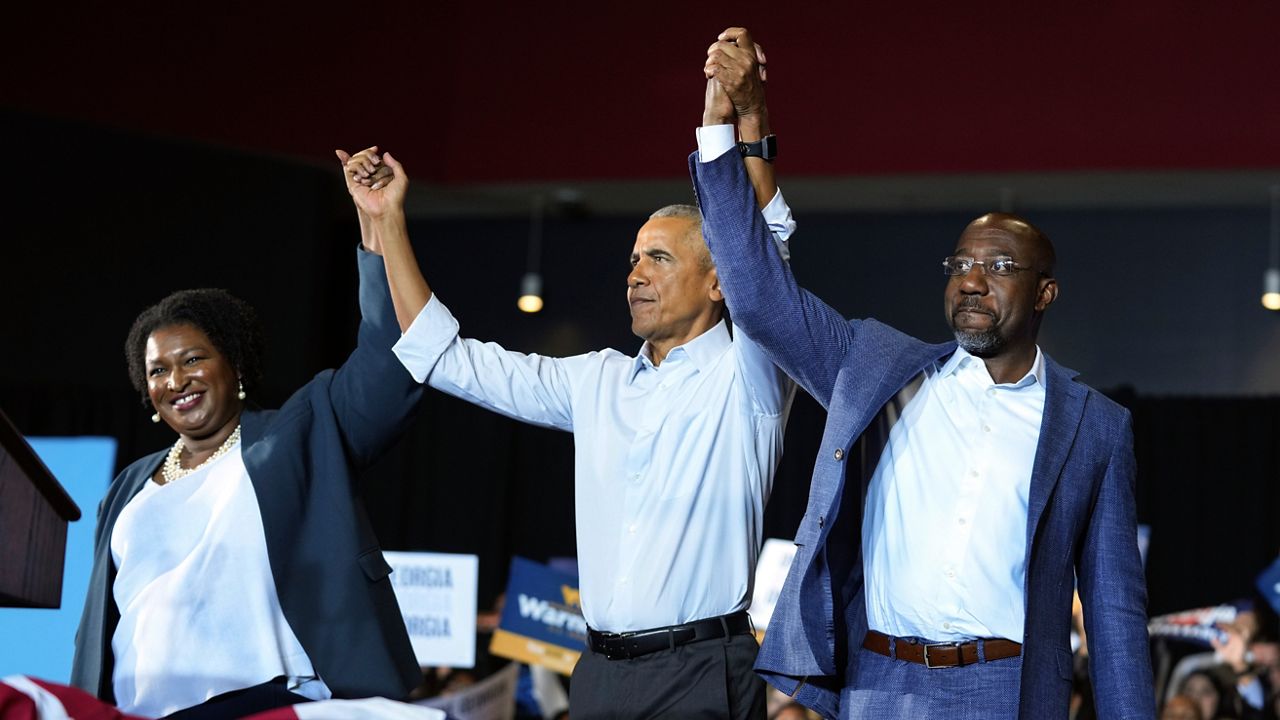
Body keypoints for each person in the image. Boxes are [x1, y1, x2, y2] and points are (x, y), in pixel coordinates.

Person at [692, 27, 1156, 719]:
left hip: (1006, 691)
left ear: (1046, 294)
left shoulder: (1096, 427)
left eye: (999, 267)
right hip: (877, 682)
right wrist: (725, 132)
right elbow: (758, 298)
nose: (972, 280)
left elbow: (1114, 610)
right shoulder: (878, 370)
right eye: (961, 264)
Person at [334, 42, 797, 717]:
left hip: (701, 675)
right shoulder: (597, 382)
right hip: (599, 675)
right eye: (634, 258)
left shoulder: (748, 373)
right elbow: (447, 355)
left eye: (659, 259)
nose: (635, 274)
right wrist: (386, 218)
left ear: (720, 282)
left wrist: (740, 118)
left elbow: (767, 254)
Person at [70, 150, 425, 719]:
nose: (176, 379)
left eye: (192, 359)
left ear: (234, 365)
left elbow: (391, 362)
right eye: (158, 369)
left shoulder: (298, 435)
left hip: (264, 704)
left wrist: (380, 225)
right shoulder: (128, 488)